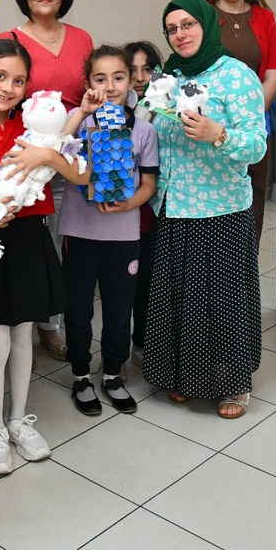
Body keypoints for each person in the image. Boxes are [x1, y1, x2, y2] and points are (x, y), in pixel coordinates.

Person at [0, 39, 84, 474]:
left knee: (24, 337)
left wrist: (49, 151)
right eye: (0, 76)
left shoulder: (34, 130)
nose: (8, 87)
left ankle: (18, 419)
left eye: (18, 80)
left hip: (29, 242)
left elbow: (77, 170)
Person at [143, 0, 266, 420]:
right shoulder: (168, 78)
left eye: (188, 24)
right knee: (182, 298)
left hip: (221, 209)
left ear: (207, 25)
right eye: (172, 28)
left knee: (223, 301)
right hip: (173, 206)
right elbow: (148, 126)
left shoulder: (237, 76)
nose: (180, 34)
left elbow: (257, 145)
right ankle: (187, 375)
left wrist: (219, 134)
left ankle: (234, 383)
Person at [0, 0, 94, 361]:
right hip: (32, 160)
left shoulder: (82, 39)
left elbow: (92, 94)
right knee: (39, 242)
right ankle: (38, 322)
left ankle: (59, 320)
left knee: (71, 240)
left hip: (75, 156)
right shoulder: (9, 40)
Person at [59, 46, 158, 416]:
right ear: (88, 82)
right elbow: (53, 149)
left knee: (119, 310)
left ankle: (113, 373)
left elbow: (148, 184)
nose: (110, 86)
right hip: (80, 232)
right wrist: (81, 112)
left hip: (123, 236)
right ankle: (81, 375)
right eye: (100, 78)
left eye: (118, 77)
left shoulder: (144, 130)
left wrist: (129, 204)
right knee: (78, 308)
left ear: (131, 81)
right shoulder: (78, 121)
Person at [206, 0, 276, 243]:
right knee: (217, 199)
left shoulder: (265, 17)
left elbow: (273, 72)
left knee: (253, 196)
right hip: (212, 128)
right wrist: (222, 126)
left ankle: (246, 261)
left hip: (253, 127)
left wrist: (249, 117)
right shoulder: (204, 16)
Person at [123, 39, 163, 364]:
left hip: (155, 210)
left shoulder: (168, 108)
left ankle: (142, 342)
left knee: (148, 282)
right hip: (123, 213)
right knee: (124, 286)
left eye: (146, 69)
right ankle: (116, 353)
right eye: (132, 70)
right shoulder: (114, 111)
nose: (139, 77)